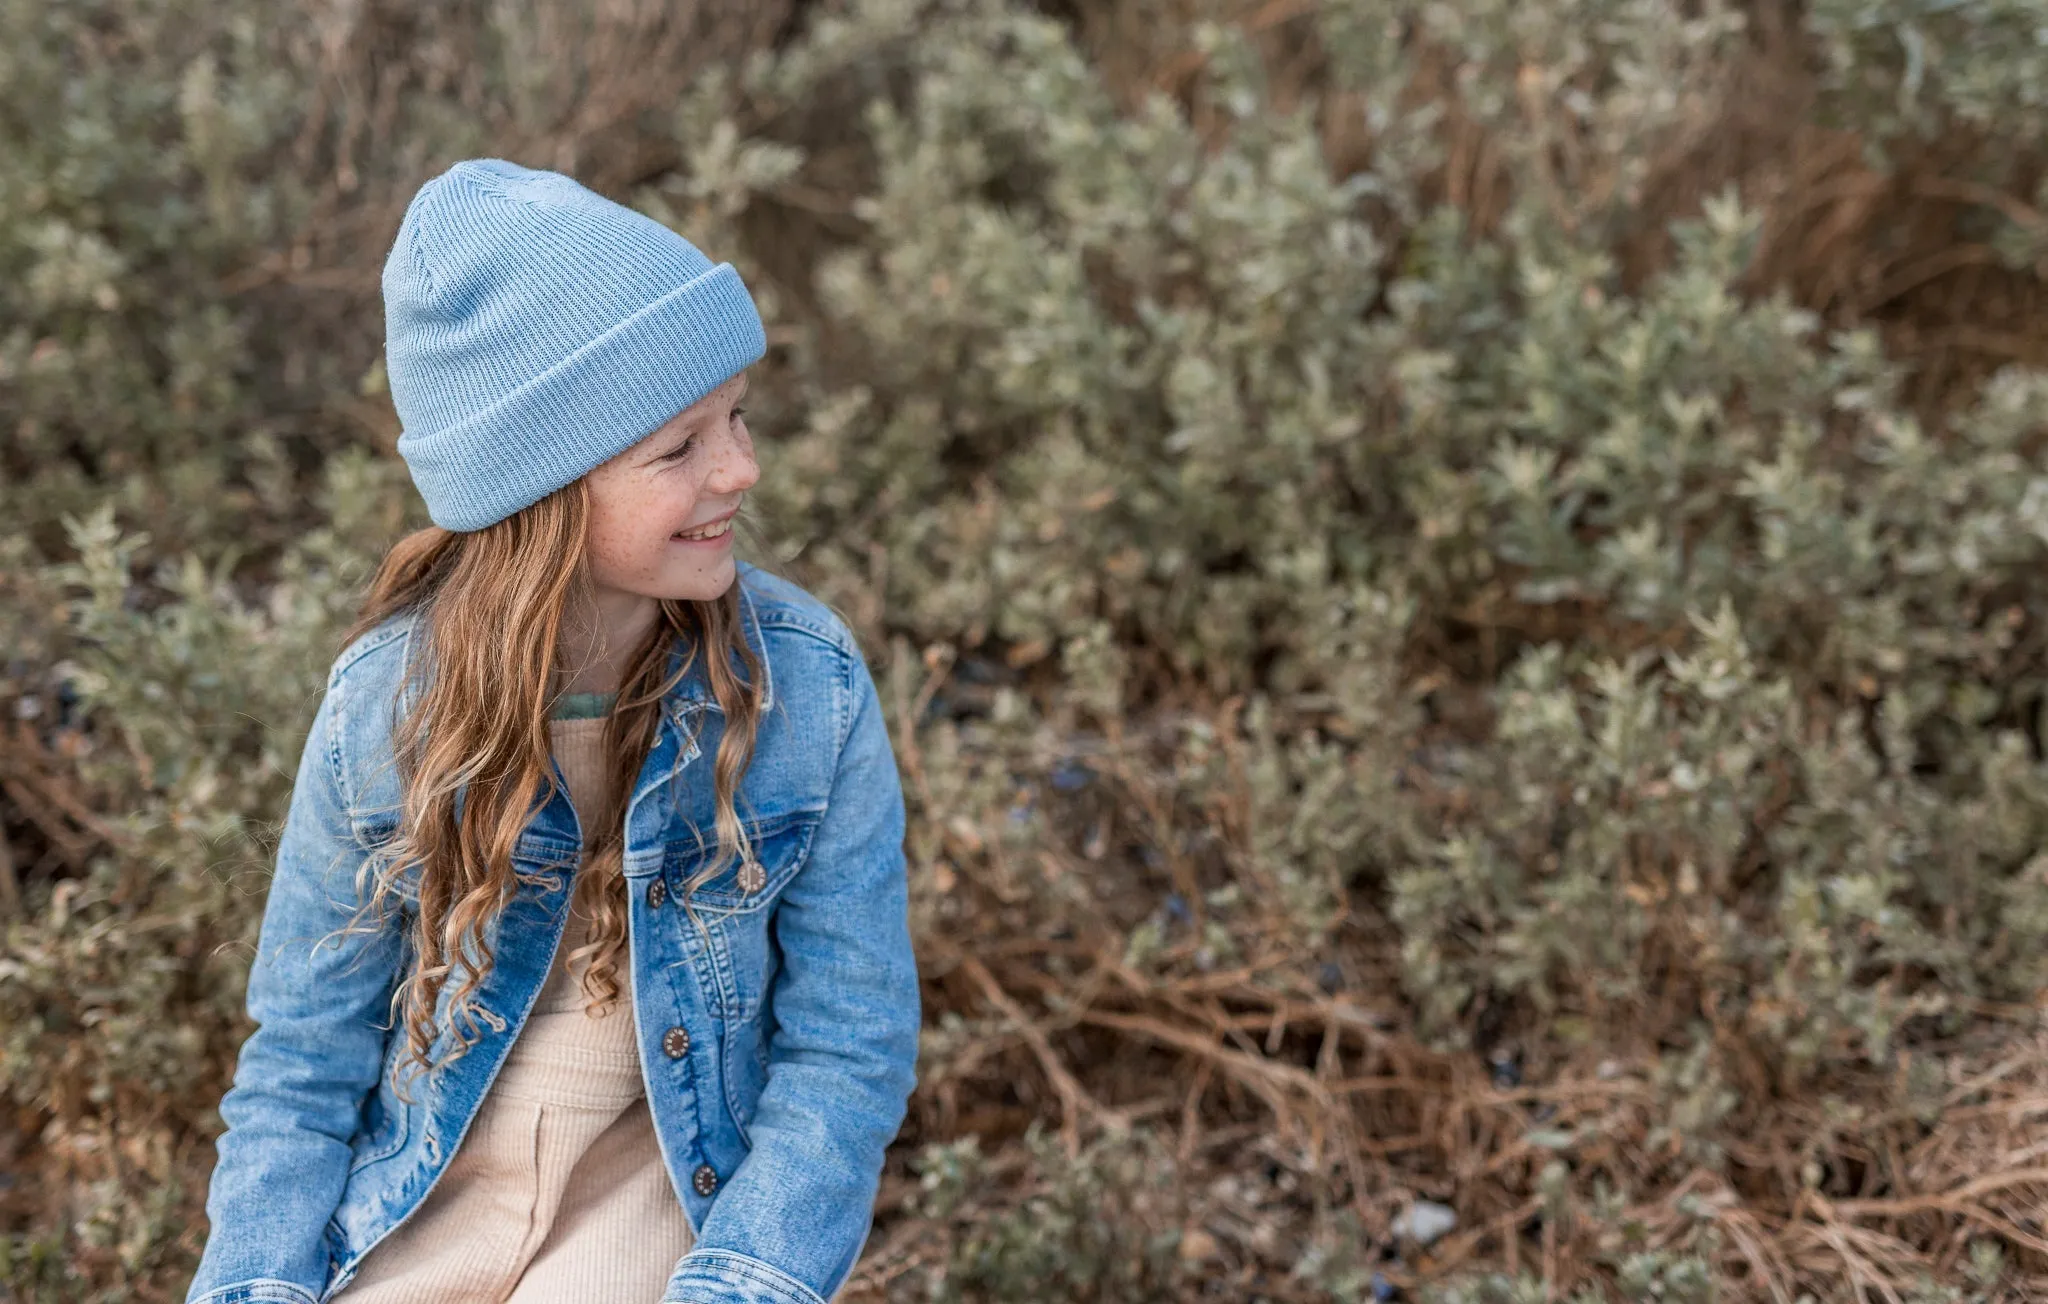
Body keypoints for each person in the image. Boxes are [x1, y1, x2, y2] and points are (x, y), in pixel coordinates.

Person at [182, 158, 922, 1304]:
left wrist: (744, 1280)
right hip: (415, 1216)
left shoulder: (802, 688)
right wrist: (257, 1287)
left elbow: (847, 1047)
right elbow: (300, 1065)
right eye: (676, 447)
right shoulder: (384, 710)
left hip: (652, 1218)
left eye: (736, 416)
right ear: (539, 491)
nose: (740, 467)